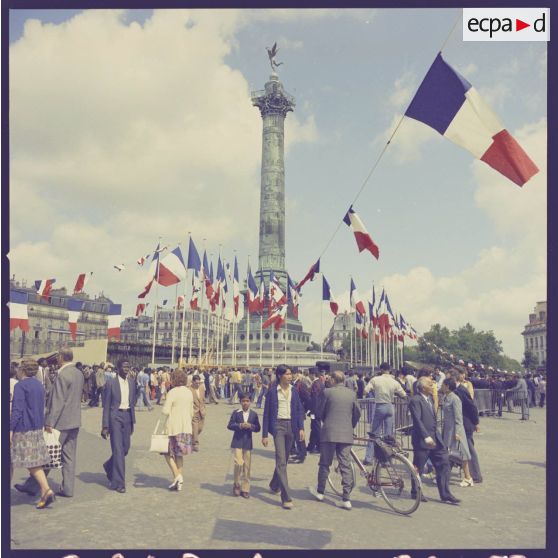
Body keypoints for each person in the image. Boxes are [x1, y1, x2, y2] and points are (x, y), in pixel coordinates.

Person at [15, 348, 84, 498]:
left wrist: (49, 422)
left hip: (60, 423)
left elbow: (58, 401)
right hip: (75, 421)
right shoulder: (79, 373)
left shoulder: (62, 375)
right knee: (69, 456)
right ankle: (68, 488)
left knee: (47, 455)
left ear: (60, 357)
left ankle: (34, 486)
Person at [309, 370, 361, 510]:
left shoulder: (327, 392)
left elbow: (319, 412)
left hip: (329, 432)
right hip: (346, 433)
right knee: (345, 464)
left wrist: (326, 420)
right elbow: (357, 413)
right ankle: (346, 498)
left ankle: (320, 491)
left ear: (333, 379)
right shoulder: (352, 394)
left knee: (325, 463)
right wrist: (350, 425)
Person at [10, 359, 55, 509]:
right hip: (36, 428)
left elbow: (17, 411)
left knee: (26, 462)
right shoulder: (38, 385)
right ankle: (45, 490)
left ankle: (46, 490)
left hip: (23, 429)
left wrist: (10, 430)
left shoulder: (20, 386)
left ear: (22, 370)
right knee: (33, 462)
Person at [409, 376, 460, 505]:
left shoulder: (431, 398)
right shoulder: (415, 400)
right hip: (422, 439)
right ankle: (415, 491)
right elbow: (417, 420)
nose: (433, 387)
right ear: (423, 387)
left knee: (444, 463)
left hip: (435, 439)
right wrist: (426, 436)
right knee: (418, 467)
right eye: (430, 384)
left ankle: (445, 494)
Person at [262, 365, 305, 509]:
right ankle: (286, 497)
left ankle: (274, 485)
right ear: (280, 376)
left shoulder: (294, 390)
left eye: (291, 374)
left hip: (291, 427)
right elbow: (267, 413)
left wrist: (301, 428)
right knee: (281, 460)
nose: (290, 376)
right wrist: (265, 435)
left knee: (284, 459)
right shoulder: (273, 392)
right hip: (278, 427)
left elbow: (299, 409)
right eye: (287, 374)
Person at [101, 359, 137, 493]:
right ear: (118, 368)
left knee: (125, 449)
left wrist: (132, 420)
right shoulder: (111, 383)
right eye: (124, 367)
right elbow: (106, 406)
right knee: (118, 450)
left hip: (127, 417)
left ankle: (109, 466)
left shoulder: (132, 383)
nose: (127, 369)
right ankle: (119, 483)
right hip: (115, 417)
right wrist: (105, 426)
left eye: (128, 366)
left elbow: (132, 402)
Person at [363, 362, 407, 465]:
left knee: (374, 434)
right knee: (389, 435)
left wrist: (375, 392)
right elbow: (404, 395)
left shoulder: (375, 379)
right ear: (389, 369)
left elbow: (365, 391)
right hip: (390, 406)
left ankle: (369, 458)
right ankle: (386, 460)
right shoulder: (394, 381)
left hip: (379, 406)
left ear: (381, 369)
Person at [161, 369, 194, 491]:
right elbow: (191, 411)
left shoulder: (173, 392)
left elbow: (165, 410)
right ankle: (178, 482)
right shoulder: (189, 392)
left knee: (167, 453)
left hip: (173, 427)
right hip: (186, 427)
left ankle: (177, 475)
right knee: (179, 455)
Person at [227, 391, 261, 498]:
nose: (245, 403)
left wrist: (251, 426)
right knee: (238, 463)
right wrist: (240, 425)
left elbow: (258, 428)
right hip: (237, 441)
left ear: (250, 402)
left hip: (247, 442)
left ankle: (245, 488)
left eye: (247, 401)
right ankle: (236, 484)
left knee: (247, 466)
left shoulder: (254, 414)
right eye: (243, 401)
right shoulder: (236, 413)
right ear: (240, 402)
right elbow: (230, 425)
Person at [441, 378, 474, 487]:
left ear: (447, 386)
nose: (441, 386)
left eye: (443, 385)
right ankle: (444, 476)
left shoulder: (455, 399)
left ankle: (468, 477)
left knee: (462, 454)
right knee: (449, 454)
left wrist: (458, 433)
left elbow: (458, 417)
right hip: (448, 430)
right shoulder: (447, 397)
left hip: (455, 431)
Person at [452, 370, 483, 483]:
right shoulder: (456, 390)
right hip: (461, 423)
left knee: (469, 449)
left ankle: (475, 475)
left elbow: (472, 407)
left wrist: (476, 423)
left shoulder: (461, 390)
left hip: (466, 423)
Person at [306, 368, 325, 454]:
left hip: (316, 411)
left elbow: (315, 399)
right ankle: (311, 446)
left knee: (316, 429)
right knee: (314, 428)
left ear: (313, 374)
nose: (309, 376)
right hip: (318, 410)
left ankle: (320, 447)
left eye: (309, 374)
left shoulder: (316, 384)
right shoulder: (319, 383)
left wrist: (312, 411)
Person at [189, 375, 206, 452]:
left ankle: (192, 438)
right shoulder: (189, 389)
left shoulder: (202, 388)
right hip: (194, 412)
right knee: (195, 428)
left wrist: (204, 408)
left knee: (200, 428)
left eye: (199, 383)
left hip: (202, 412)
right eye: (196, 383)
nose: (198, 384)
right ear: (192, 382)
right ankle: (195, 444)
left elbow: (203, 399)